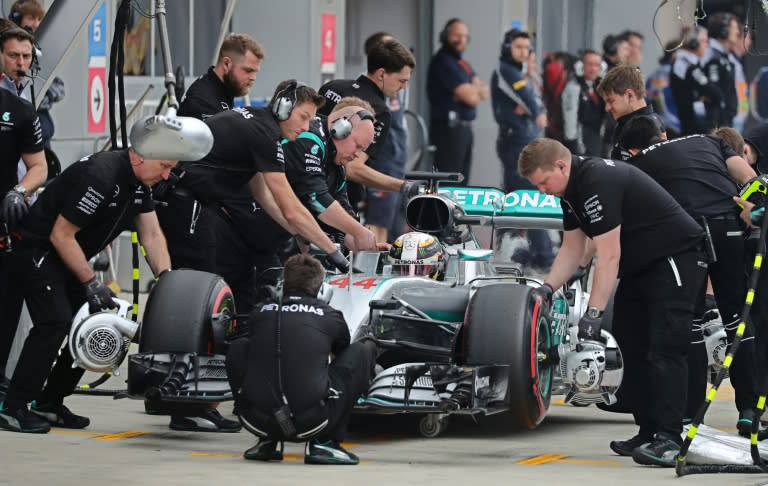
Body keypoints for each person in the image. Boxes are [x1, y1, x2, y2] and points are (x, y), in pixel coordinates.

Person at [520, 138, 706, 467]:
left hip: (674, 257)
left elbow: (609, 255)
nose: (542, 192)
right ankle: (648, 430)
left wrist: (594, 312)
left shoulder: (596, 181)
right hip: (642, 265)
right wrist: (547, 287)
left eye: (543, 183)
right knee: (629, 342)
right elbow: (573, 249)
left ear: (561, 166)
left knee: (665, 347)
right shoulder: (570, 192)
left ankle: (670, 437)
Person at [0, 123, 178, 433]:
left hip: (67, 257)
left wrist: (168, 282)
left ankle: (50, 401)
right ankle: (13, 408)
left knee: (92, 323)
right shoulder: (102, 176)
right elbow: (61, 234)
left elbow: (151, 233)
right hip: (37, 249)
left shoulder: (140, 184)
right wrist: (90, 282)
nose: (166, 175)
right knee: (54, 322)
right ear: (139, 157)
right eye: (163, 166)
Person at [620, 115, 760, 436]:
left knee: (690, 321)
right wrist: (754, 205)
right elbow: (750, 178)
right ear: (663, 133)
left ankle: (687, 414)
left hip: (689, 232)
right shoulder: (708, 140)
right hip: (729, 225)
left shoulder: (640, 162)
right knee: (737, 317)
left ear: (633, 149)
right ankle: (749, 410)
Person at [228, 253, 376, 465]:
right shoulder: (329, 314)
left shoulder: (260, 312)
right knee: (362, 351)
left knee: (239, 347)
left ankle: (267, 441)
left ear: (282, 284)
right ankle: (325, 443)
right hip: (313, 422)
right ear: (321, 289)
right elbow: (342, 353)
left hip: (257, 420)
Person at [318, 38, 417, 215]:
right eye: (402, 80)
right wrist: (404, 186)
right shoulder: (378, 111)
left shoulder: (331, 87)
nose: (404, 87)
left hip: (306, 187)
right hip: (340, 201)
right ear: (381, 74)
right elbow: (352, 168)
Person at [0, 51, 46, 401]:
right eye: (13, 55)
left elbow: (38, 167)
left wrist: (19, 192)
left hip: (6, 222)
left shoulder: (20, 111)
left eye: (26, 56)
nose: (20, 62)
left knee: (6, 307)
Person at [490, 28, 553, 271]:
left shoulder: (521, 72)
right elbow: (530, 100)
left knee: (523, 197)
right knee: (529, 197)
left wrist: (532, 109)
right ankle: (543, 255)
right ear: (507, 47)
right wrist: (535, 111)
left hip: (524, 142)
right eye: (519, 47)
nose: (524, 52)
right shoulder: (505, 70)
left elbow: (533, 100)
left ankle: (528, 251)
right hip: (514, 143)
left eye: (527, 48)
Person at [426, 18, 490, 184]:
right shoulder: (443, 62)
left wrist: (471, 90)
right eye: (456, 35)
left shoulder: (462, 63)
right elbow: (471, 98)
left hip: (463, 129)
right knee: (450, 180)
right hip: (448, 130)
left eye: (464, 36)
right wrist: (472, 90)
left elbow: (484, 91)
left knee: (462, 181)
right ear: (446, 36)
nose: (461, 39)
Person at [360, 31, 410, 243]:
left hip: (397, 161)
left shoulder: (397, 87)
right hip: (380, 164)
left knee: (393, 224)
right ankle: (369, 270)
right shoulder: (370, 91)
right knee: (377, 222)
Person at [9, 0, 65, 149]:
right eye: (31, 18)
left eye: (39, 19)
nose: (36, 24)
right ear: (16, 19)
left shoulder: (41, 51)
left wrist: (39, 99)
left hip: (42, 131)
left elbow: (59, 88)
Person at [177, 33, 264, 120]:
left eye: (255, 72)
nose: (253, 77)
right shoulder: (203, 101)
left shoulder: (223, 90)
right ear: (226, 64)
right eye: (248, 70)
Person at [597, 64, 666, 161]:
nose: (607, 108)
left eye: (611, 101)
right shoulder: (624, 123)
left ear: (630, 95)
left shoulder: (649, 126)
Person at [670, 27, 720, 135]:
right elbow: (716, 94)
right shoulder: (684, 64)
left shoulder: (691, 62)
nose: (707, 45)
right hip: (692, 126)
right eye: (704, 41)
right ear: (693, 43)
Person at [562, 49, 606, 156]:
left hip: (598, 140)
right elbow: (570, 118)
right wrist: (573, 144)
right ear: (580, 66)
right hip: (580, 142)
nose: (593, 69)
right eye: (589, 64)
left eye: (597, 65)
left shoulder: (601, 87)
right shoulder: (573, 87)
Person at [701, 12, 739, 128]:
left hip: (725, 121)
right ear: (723, 31)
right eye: (734, 28)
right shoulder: (710, 55)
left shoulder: (724, 55)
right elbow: (714, 91)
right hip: (717, 124)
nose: (738, 32)